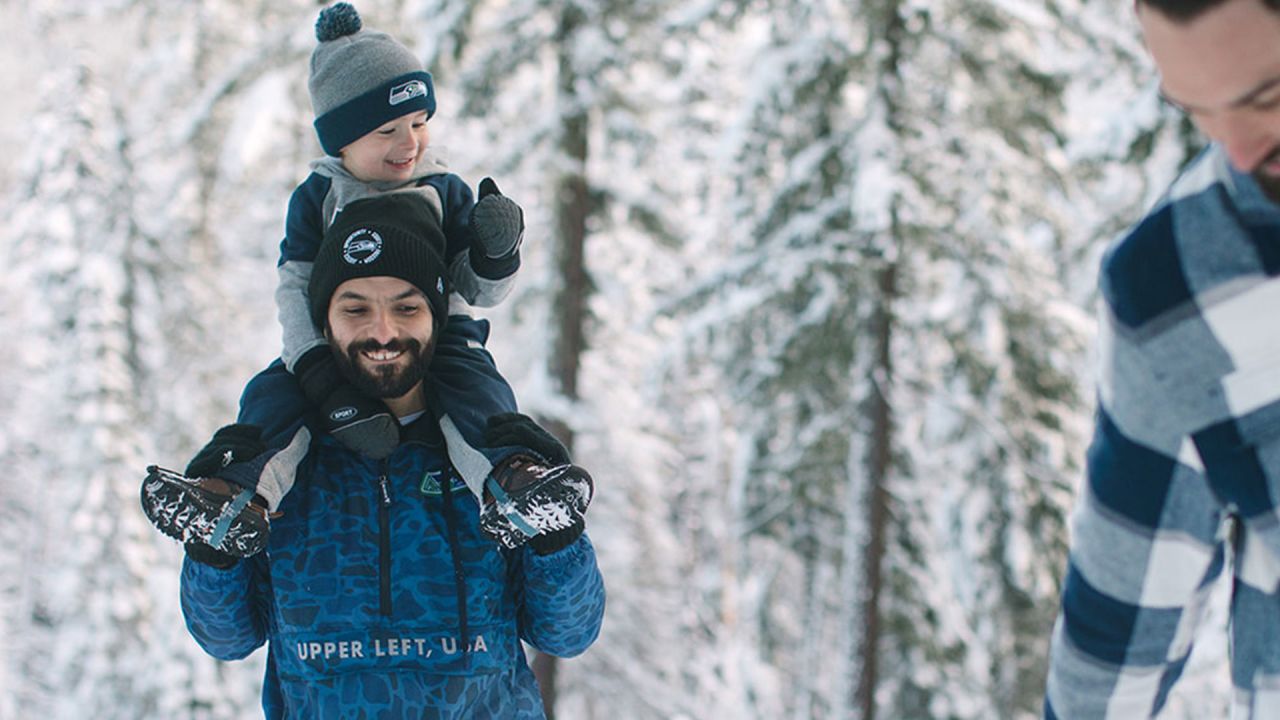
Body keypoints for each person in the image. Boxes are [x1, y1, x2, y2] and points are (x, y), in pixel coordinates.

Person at [178, 193, 605, 718]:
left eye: (406, 307)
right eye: (355, 308)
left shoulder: (493, 461)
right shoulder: (284, 464)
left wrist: (558, 539)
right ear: (322, 321)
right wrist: (211, 550)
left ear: (436, 315)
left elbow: (567, 632)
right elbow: (227, 636)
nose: (382, 332)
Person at [141, 2, 545, 555]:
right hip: (332, 346)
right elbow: (293, 289)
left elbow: (477, 290)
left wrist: (495, 254)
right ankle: (235, 493)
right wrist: (314, 372)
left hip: (439, 337)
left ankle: (516, 482)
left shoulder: (443, 189)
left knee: (480, 393)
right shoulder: (317, 199)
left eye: (419, 124)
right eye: (388, 131)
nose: (410, 145)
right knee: (271, 399)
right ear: (342, 141)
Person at [1044, 0, 1280, 717]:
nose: (1237, 152)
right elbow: (1116, 637)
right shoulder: (1178, 287)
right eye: (1200, 113)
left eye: (1267, 98)